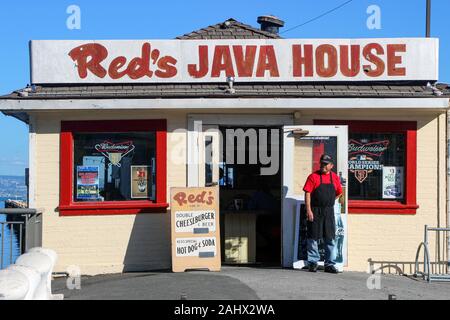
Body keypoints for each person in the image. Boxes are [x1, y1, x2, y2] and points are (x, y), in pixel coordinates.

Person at [303, 154, 342, 273]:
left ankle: (329, 264)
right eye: (322, 163)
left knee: (330, 237)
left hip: (328, 211)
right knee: (313, 237)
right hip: (315, 210)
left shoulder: (334, 177)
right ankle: (313, 263)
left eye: (326, 164)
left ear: (331, 166)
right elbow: (307, 193)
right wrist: (308, 210)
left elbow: (339, 192)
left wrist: (329, 201)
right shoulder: (313, 177)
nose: (323, 166)